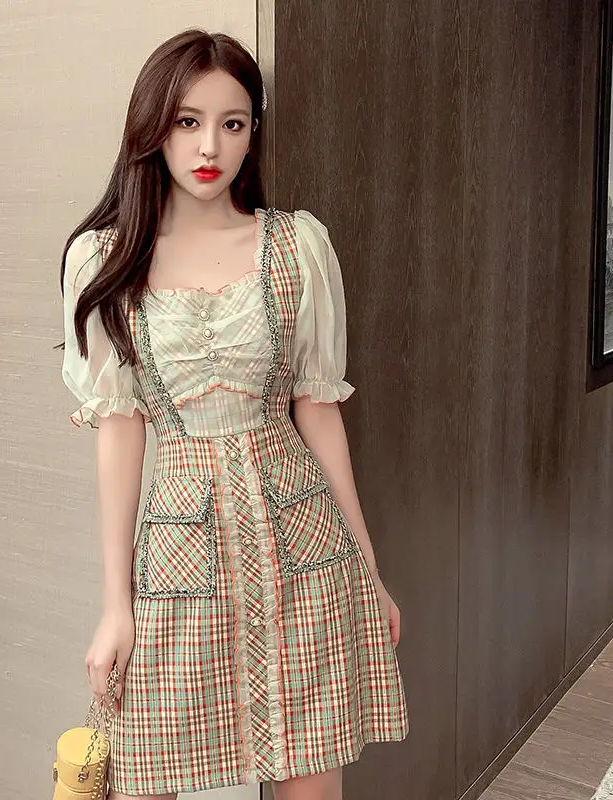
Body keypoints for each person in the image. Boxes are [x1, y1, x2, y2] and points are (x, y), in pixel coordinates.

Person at [58, 27, 409, 800]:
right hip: (179, 555)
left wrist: (370, 570)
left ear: (254, 132)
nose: (209, 145)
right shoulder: (105, 260)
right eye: (187, 121)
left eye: (233, 122)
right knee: (143, 774)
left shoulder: (297, 246)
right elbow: (120, 431)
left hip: (306, 549)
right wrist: (116, 606)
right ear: (153, 128)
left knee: (311, 783)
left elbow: (319, 412)